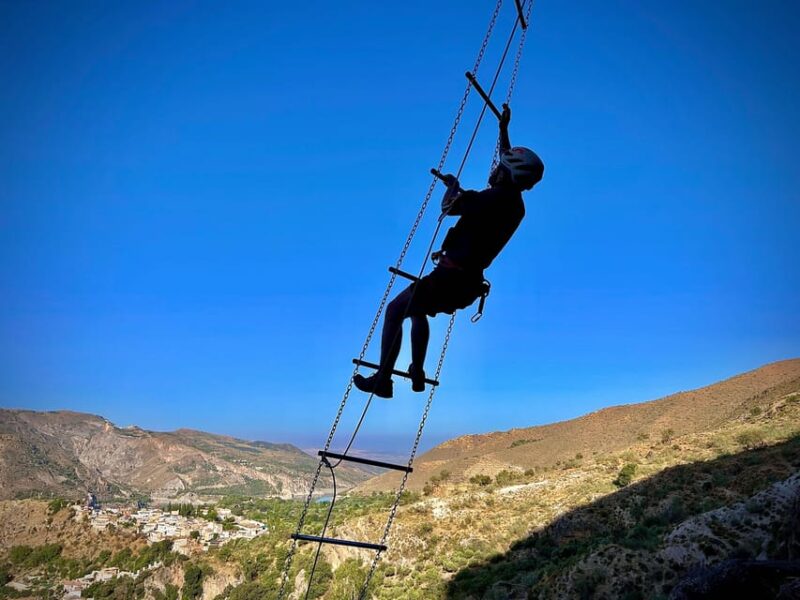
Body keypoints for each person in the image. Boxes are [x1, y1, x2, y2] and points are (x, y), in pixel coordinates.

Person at [354, 104, 544, 398]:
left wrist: (452, 186)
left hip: (450, 278)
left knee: (394, 311)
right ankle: (416, 370)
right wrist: (503, 129)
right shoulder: (515, 205)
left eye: (499, 168)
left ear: (507, 174)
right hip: (466, 283)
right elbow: (507, 168)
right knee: (417, 309)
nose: (494, 169)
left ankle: (383, 380)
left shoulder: (492, 198)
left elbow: (449, 207)